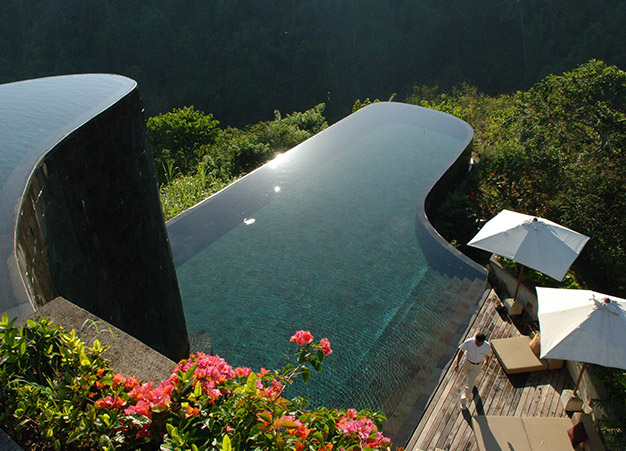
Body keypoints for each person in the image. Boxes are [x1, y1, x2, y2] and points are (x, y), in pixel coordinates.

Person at [454, 333, 491, 409]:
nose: (477, 344)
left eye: (479, 343)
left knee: (469, 383)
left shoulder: (486, 346)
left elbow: (487, 354)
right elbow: (461, 352)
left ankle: (463, 400)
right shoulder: (469, 342)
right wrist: (457, 364)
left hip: (477, 366)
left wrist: (486, 362)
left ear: (483, 342)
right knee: (467, 375)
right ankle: (471, 384)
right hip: (467, 363)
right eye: (476, 342)